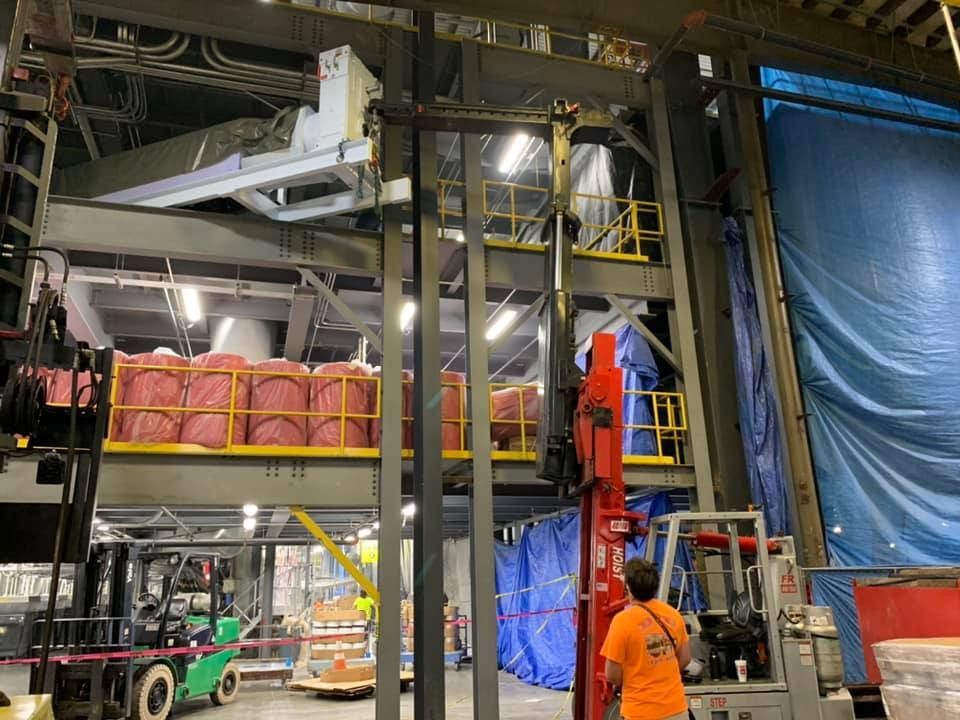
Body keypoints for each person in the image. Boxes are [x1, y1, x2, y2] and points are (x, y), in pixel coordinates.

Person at [601, 558, 691, 720]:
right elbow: (685, 658)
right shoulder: (673, 614)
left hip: (640, 711)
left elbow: (612, 675)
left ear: (628, 587)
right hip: (676, 708)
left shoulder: (622, 621)